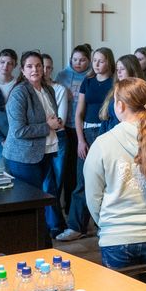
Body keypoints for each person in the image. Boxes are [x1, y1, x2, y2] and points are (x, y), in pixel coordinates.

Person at [84, 78, 146, 269]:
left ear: (119, 105)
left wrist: (107, 224)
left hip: (116, 238)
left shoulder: (103, 144)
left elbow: (93, 198)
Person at [56, 47, 115, 242]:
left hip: (108, 132)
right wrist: (81, 140)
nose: (97, 64)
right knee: (82, 181)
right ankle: (76, 226)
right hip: (88, 133)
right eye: (95, 60)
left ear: (109, 62)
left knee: (107, 181)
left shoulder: (115, 82)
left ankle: (105, 226)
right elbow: (78, 113)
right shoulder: (87, 82)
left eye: (101, 61)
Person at [2, 51, 63, 232]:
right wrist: (48, 126)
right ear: (22, 70)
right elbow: (19, 130)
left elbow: (49, 117)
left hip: (45, 151)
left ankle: (43, 239)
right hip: (23, 157)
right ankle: (31, 241)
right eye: (30, 66)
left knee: (42, 199)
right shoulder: (19, 93)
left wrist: (55, 122)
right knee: (29, 203)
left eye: (38, 66)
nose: (35, 69)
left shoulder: (48, 89)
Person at [54, 44, 92, 220]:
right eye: (75, 59)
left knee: (81, 171)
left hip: (83, 128)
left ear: (88, 61)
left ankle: (80, 212)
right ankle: (67, 208)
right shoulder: (62, 75)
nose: (78, 63)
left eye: (82, 60)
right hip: (65, 127)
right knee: (67, 170)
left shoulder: (91, 76)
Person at [41, 53, 70, 233]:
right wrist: (47, 122)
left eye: (49, 67)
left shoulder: (59, 89)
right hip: (41, 140)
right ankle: (53, 224)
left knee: (57, 183)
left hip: (59, 138)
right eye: (41, 66)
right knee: (46, 183)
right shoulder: (30, 90)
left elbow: (61, 120)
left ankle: (55, 223)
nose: (45, 70)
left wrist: (49, 122)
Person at [99, 54, 142, 134]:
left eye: (122, 69)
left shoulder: (138, 91)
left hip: (123, 136)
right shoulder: (115, 89)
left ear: (132, 70)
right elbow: (106, 119)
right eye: (117, 69)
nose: (118, 72)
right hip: (109, 134)